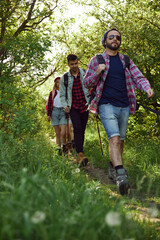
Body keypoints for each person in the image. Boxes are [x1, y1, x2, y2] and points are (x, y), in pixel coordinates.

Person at [83, 28, 154, 195]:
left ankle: (113, 167)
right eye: (111, 37)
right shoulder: (97, 59)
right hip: (106, 105)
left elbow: (139, 77)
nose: (115, 39)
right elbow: (87, 82)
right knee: (114, 139)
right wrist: (98, 72)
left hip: (125, 106)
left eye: (118, 37)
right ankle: (121, 176)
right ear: (105, 40)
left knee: (120, 141)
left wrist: (147, 88)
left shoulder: (125, 60)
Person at [60, 54, 89, 166]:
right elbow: (62, 95)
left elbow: (92, 86)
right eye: (72, 64)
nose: (74, 65)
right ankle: (80, 155)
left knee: (82, 130)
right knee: (76, 129)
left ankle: (78, 150)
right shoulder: (65, 78)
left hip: (85, 105)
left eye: (76, 63)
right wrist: (65, 105)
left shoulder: (85, 73)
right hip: (73, 107)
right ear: (68, 64)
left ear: (78, 62)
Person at [47, 77, 67, 155]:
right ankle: (59, 149)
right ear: (55, 83)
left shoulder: (65, 92)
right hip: (54, 112)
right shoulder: (52, 93)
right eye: (57, 82)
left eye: (60, 82)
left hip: (63, 111)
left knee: (63, 132)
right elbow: (49, 104)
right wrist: (48, 115)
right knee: (57, 133)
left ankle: (64, 144)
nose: (59, 83)